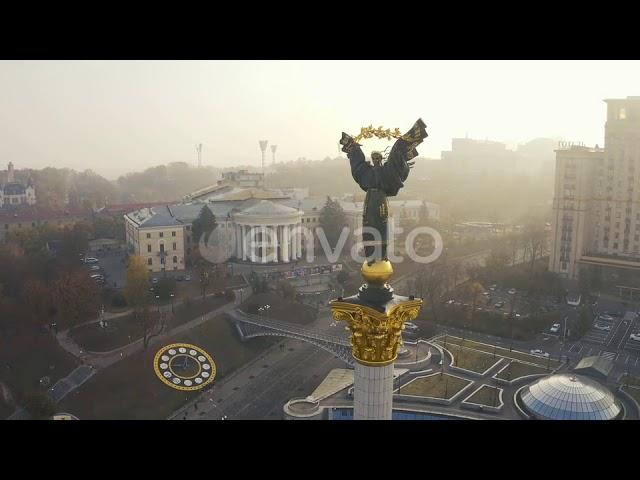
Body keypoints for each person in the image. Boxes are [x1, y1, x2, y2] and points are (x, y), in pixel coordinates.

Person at [340, 119, 428, 264]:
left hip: (380, 200)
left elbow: (396, 159)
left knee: (382, 226)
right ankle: (370, 256)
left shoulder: (387, 171)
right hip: (370, 201)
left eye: (377, 158)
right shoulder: (365, 171)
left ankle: (382, 255)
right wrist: (353, 147)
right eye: (373, 158)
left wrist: (401, 145)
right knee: (369, 226)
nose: (375, 160)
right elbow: (357, 163)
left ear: (380, 159)